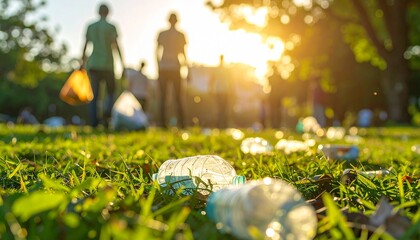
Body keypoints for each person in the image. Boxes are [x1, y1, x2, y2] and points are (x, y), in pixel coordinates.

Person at [81, 3, 124, 128]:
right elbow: (116, 46)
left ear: (98, 12)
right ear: (108, 13)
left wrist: (82, 62)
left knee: (94, 95)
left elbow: (85, 46)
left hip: (93, 63)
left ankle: (94, 122)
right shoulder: (111, 27)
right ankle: (106, 116)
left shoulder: (91, 26)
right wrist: (122, 63)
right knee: (111, 93)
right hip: (108, 64)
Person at [155, 12, 187, 128]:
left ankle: (163, 124)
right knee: (177, 97)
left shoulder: (163, 34)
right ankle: (181, 124)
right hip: (174, 67)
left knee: (163, 97)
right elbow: (183, 53)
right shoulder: (180, 35)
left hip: (164, 67)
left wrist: (158, 66)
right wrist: (187, 68)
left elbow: (156, 52)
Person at [209, 54, 231, 128]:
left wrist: (232, 90)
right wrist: (211, 89)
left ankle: (224, 125)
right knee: (219, 109)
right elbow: (212, 80)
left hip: (225, 91)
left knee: (224, 109)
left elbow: (231, 81)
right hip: (218, 91)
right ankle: (219, 125)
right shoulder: (216, 69)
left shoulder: (226, 70)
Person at [267, 64, 284, 129]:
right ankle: (273, 126)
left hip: (277, 97)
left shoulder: (279, 77)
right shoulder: (271, 77)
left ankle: (277, 126)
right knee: (272, 112)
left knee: (277, 112)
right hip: (273, 97)